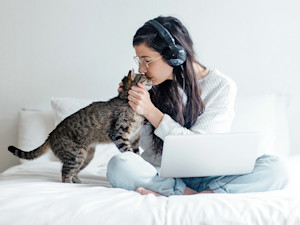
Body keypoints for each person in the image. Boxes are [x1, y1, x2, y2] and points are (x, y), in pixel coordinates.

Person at [106, 16, 289, 196]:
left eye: (146, 60)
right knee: (119, 165)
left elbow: (198, 150)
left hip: (209, 176)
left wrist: (151, 112)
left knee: (276, 169)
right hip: (162, 174)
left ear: (174, 56)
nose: (141, 69)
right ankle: (198, 195)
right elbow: (145, 147)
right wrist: (128, 107)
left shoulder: (221, 86)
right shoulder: (150, 87)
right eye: (138, 60)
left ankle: (189, 194)